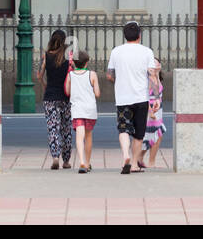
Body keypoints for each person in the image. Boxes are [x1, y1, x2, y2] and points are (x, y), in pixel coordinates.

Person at [105, 20, 156, 174]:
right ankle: (134, 164)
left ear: (125, 36)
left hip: (123, 97)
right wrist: (156, 98)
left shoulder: (116, 51)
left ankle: (125, 155)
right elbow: (152, 76)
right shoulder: (147, 52)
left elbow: (109, 75)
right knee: (139, 134)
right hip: (141, 97)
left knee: (123, 129)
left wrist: (118, 81)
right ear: (139, 35)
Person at [37, 28, 73, 169]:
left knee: (53, 128)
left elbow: (39, 75)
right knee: (66, 129)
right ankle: (66, 161)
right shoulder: (69, 57)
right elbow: (74, 74)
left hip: (50, 96)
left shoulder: (46, 56)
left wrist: (45, 85)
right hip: (65, 97)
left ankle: (55, 157)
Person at [64, 50, 100, 173]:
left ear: (74, 62)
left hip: (77, 109)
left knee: (79, 136)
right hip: (90, 109)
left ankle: (81, 162)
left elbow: (68, 92)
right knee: (88, 136)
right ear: (87, 62)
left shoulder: (70, 75)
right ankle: (88, 162)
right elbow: (97, 93)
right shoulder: (92, 74)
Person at [141, 61, 165, 169]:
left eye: (157, 62)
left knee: (156, 134)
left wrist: (157, 73)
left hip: (158, 109)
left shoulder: (156, 77)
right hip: (151, 108)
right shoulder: (148, 80)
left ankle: (142, 159)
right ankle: (147, 160)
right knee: (153, 134)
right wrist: (150, 112)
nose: (156, 64)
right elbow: (144, 96)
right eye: (154, 63)